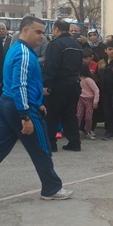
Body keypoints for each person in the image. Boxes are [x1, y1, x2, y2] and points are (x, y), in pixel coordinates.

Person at [0, 16, 73, 203]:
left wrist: (36, 100)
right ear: (25, 31)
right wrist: (25, 115)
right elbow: (20, 85)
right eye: (39, 32)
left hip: (9, 103)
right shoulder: (24, 53)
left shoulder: (16, 49)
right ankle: (51, 188)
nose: (42, 36)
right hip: (19, 107)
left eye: (44, 32)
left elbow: (23, 84)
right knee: (42, 148)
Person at [43, 20, 83, 152]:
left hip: (58, 85)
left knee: (52, 115)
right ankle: (74, 142)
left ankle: (51, 144)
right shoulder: (77, 45)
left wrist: (46, 85)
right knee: (70, 115)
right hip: (74, 84)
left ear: (57, 30)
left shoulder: (55, 44)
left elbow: (51, 66)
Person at [77, 63, 99, 140]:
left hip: (89, 100)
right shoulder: (78, 79)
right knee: (78, 116)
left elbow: (96, 90)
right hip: (81, 99)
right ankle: (77, 131)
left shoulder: (88, 80)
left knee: (88, 117)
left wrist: (95, 102)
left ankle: (88, 131)